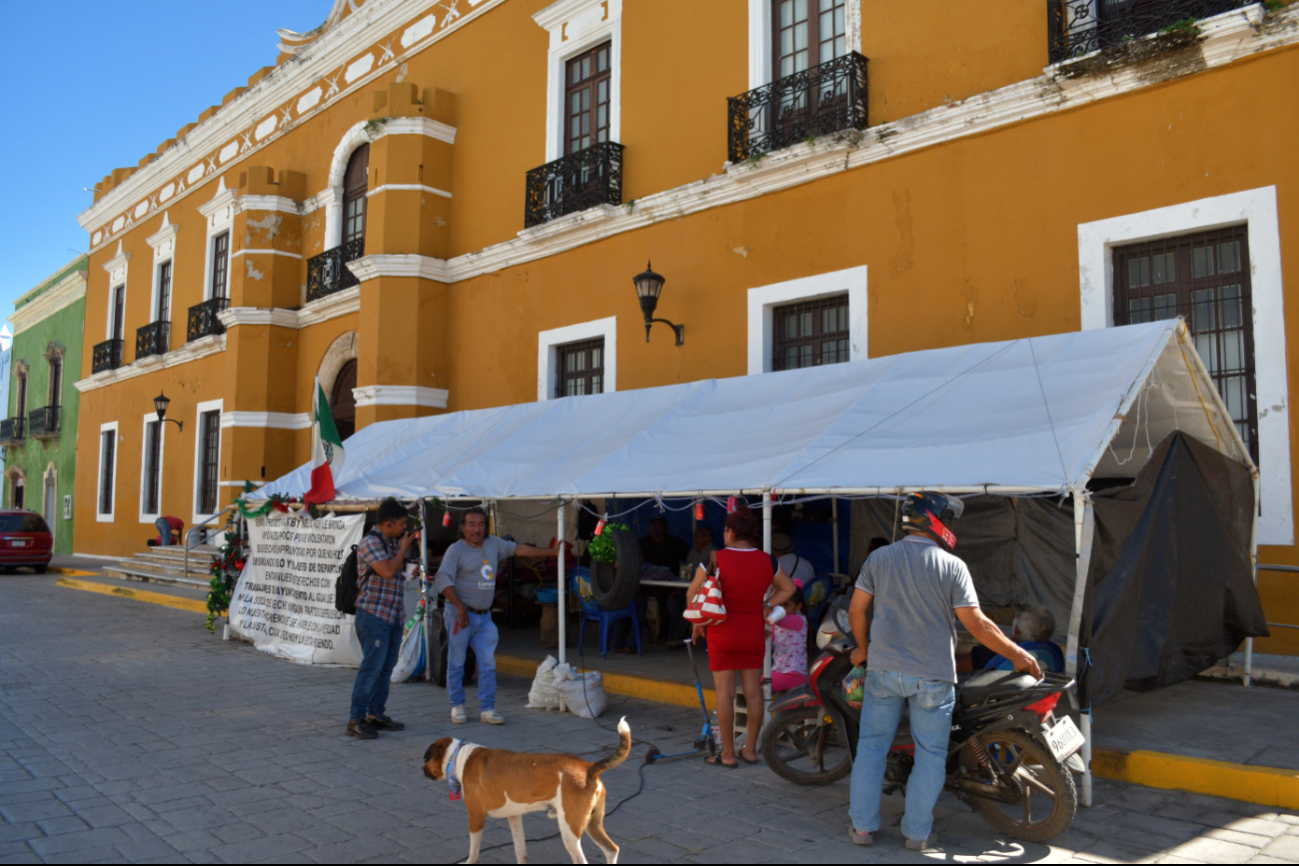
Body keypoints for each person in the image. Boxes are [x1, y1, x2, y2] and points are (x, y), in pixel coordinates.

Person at [847, 492, 1042, 850]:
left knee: (872, 748)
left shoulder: (880, 558)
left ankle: (862, 829)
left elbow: (857, 610)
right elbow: (979, 625)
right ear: (935, 522)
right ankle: (917, 835)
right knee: (930, 754)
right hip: (933, 676)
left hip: (884, 671)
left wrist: (862, 649)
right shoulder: (952, 566)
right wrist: (1018, 655)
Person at [685, 504, 797, 768]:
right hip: (752, 631)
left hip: (722, 631)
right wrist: (766, 605)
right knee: (754, 693)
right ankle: (750, 750)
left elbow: (692, 594)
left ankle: (727, 754)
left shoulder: (715, 558)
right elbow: (789, 588)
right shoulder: (767, 559)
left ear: (730, 532)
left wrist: (698, 625)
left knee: (724, 694)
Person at [435, 508, 560, 725]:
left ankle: (487, 708)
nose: (477, 528)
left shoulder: (493, 543)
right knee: (457, 662)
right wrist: (461, 608)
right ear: (462, 528)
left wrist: (551, 552)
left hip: (484, 618)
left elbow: (519, 550)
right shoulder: (455, 550)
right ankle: (457, 705)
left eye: (481, 524)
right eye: (471, 524)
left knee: (488, 663)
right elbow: (443, 580)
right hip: (459, 615)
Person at [348, 498, 420, 740]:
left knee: (386, 667)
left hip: (394, 615)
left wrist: (410, 571)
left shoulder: (389, 542)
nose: (404, 529)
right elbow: (387, 571)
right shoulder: (370, 542)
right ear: (388, 524)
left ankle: (375, 715)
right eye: (401, 524)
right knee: (371, 668)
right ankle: (356, 719)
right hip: (374, 615)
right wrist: (403, 548)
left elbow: (395, 572)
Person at [638, 516, 690, 643]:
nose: (656, 529)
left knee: (665, 599)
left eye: (659, 526)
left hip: (668, 582)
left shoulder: (675, 543)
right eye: (654, 527)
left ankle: (664, 633)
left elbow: (686, 562)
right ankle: (635, 632)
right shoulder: (642, 542)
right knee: (635, 597)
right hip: (646, 581)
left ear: (666, 528)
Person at [975, 605, 1064, 674]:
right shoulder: (1053, 652)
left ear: (1017, 630)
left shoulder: (994, 648)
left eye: (1018, 616)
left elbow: (961, 666)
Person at [769, 580, 809, 693]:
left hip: (793, 673)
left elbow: (779, 619)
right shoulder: (776, 622)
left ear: (798, 606)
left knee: (755, 685)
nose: (781, 609)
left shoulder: (799, 620)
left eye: (786, 605)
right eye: (779, 604)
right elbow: (769, 642)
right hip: (781, 670)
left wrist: (770, 602)